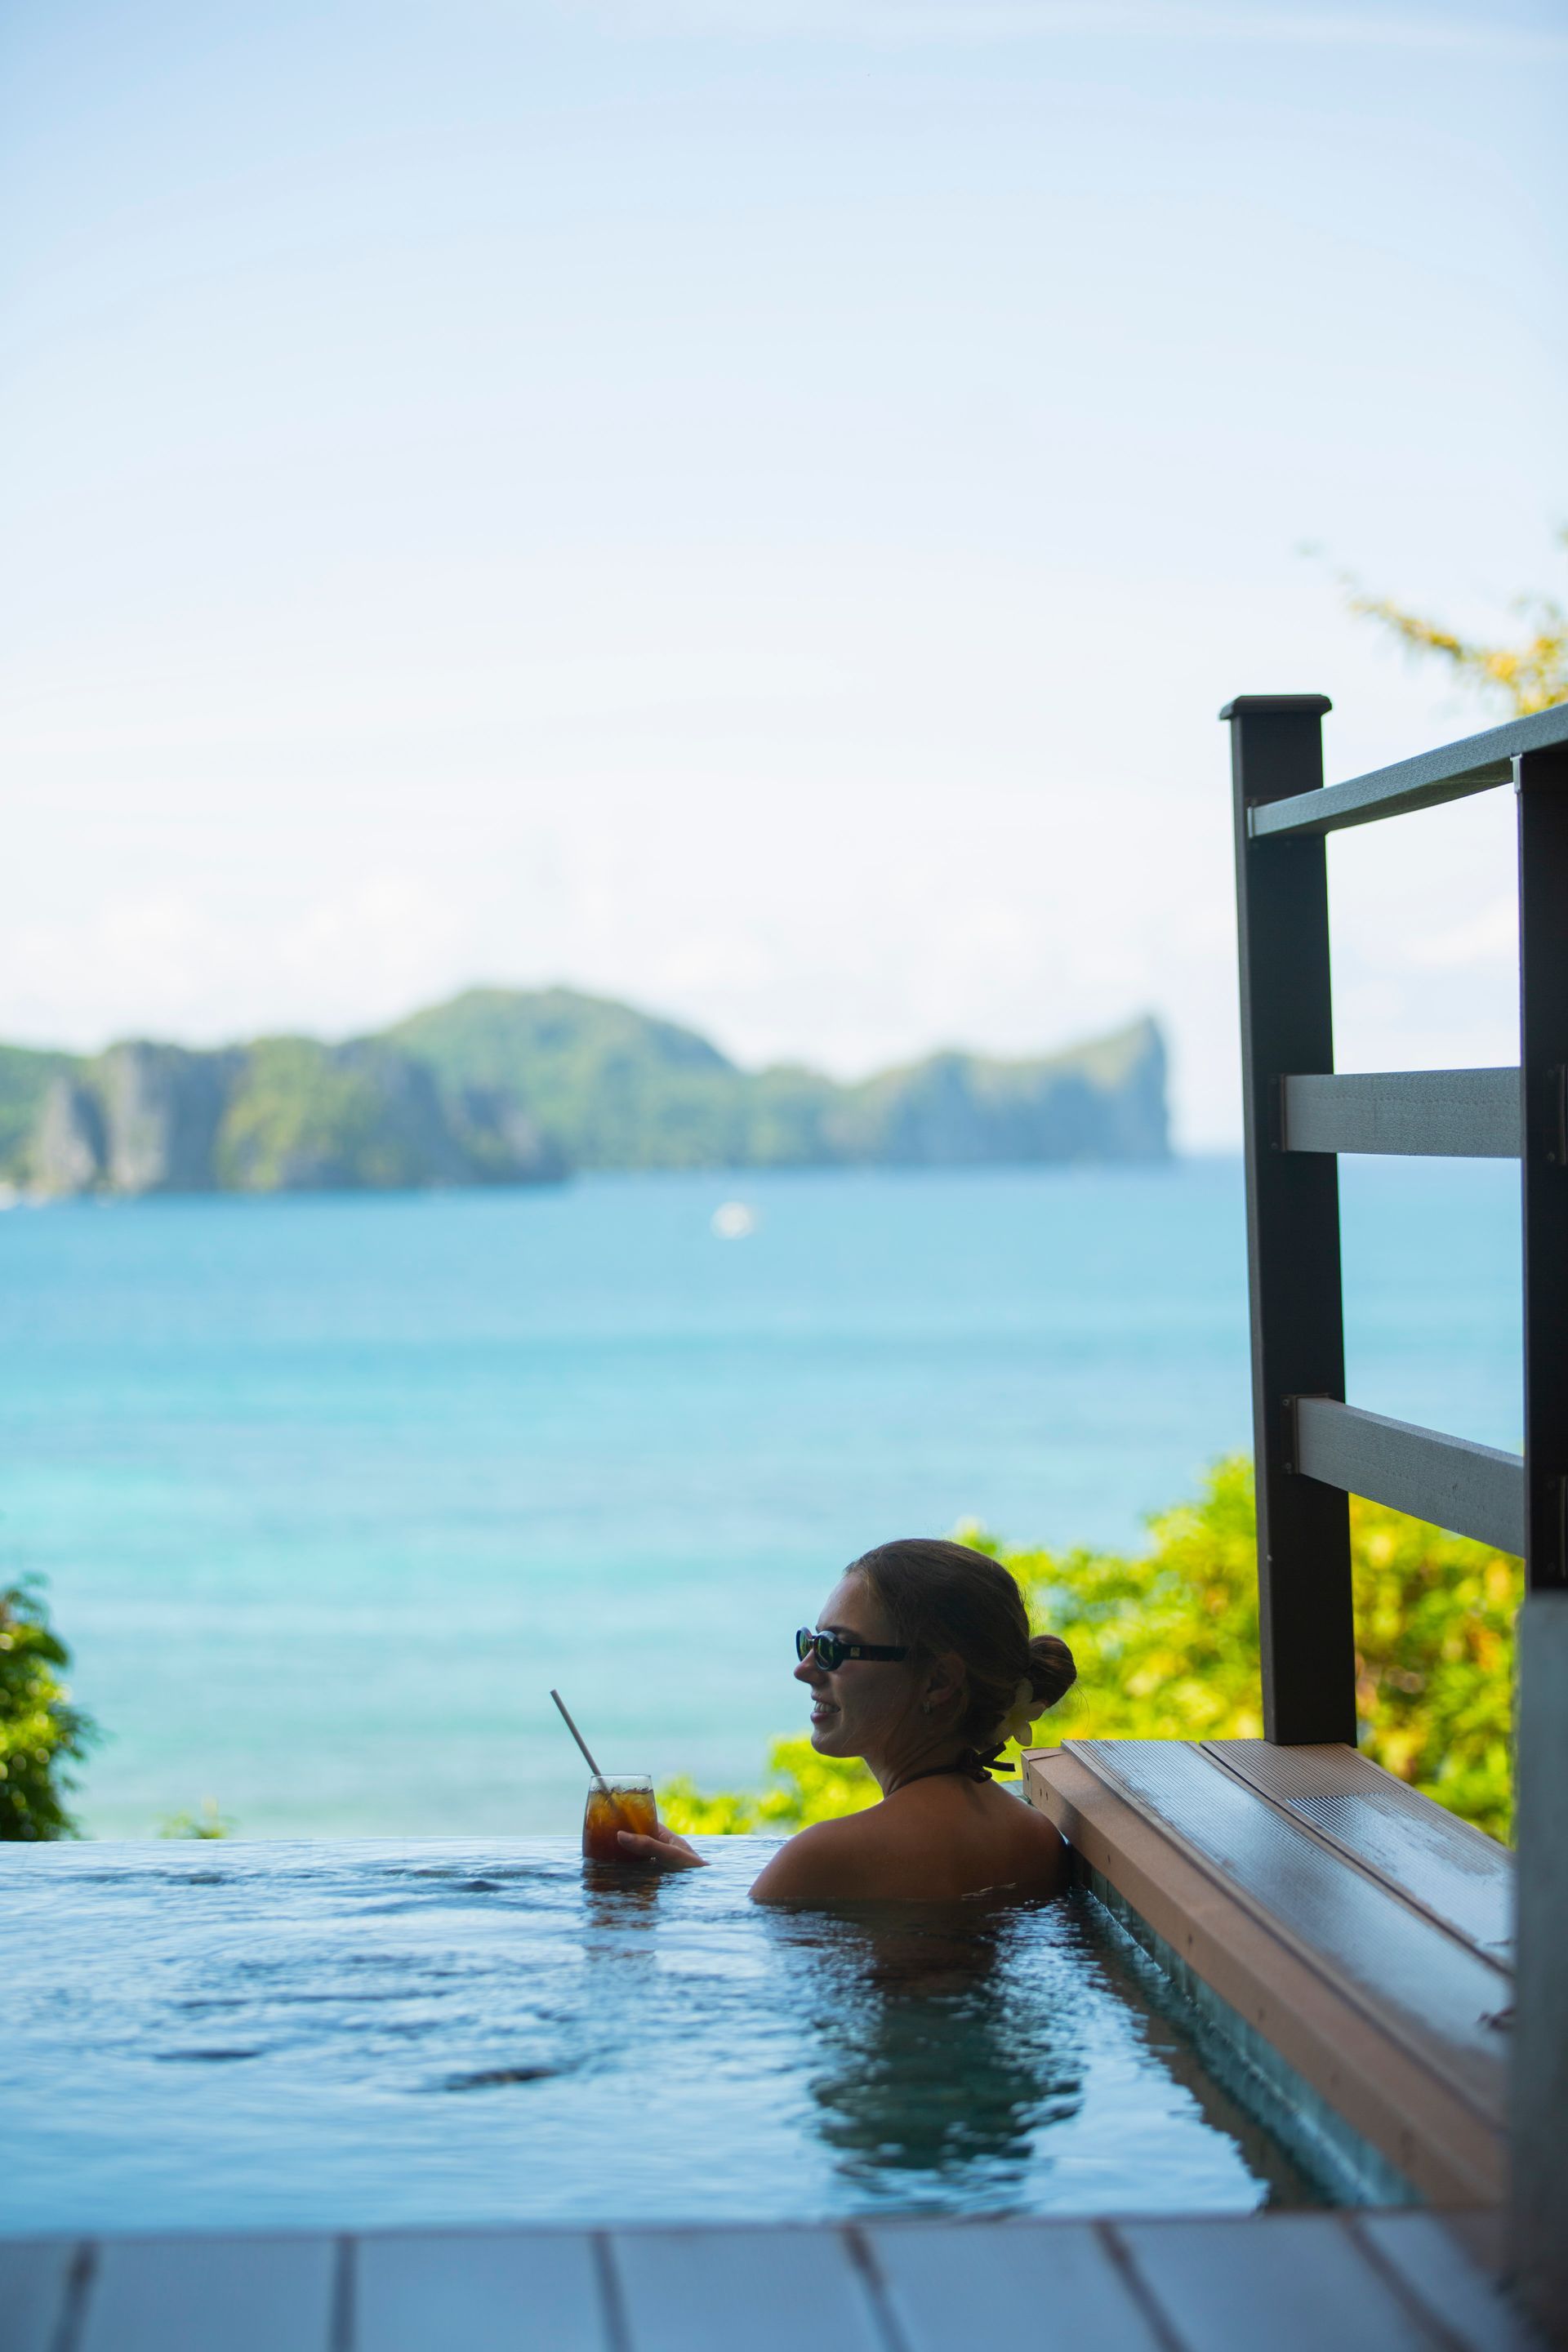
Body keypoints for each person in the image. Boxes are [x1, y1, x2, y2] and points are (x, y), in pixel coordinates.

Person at [614, 1537, 1076, 1902]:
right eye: (809, 1642)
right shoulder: (1037, 1838)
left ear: (938, 1682)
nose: (804, 1668)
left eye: (835, 1649)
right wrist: (703, 1881)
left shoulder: (827, 1857)